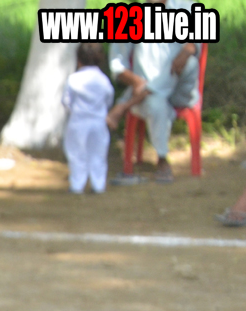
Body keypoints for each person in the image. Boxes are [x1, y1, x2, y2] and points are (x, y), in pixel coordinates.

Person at [106, 0, 200, 184]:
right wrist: (135, 81)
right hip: (145, 93)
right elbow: (117, 65)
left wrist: (187, 50)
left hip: (180, 91)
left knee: (189, 64)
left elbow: (194, 44)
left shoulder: (186, 6)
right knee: (156, 102)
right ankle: (162, 159)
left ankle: (124, 105)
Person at [62, 43, 114, 195]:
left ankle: (77, 185)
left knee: (76, 153)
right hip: (98, 122)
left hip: (78, 121)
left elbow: (66, 101)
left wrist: (73, 110)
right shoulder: (103, 80)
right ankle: (98, 184)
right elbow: (109, 99)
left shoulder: (73, 79)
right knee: (98, 154)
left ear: (78, 60)